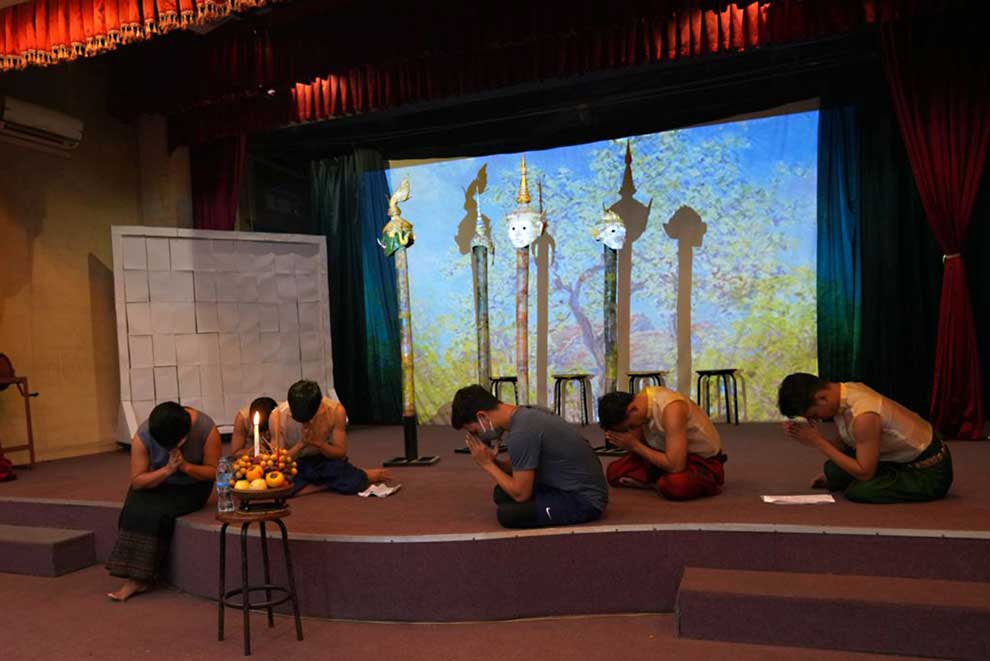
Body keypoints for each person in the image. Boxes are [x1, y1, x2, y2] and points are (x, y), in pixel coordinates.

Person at [777, 373, 952, 503]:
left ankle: (901, 481)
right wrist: (812, 439)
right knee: (832, 469)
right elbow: (844, 446)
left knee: (860, 491)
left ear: (821, 398)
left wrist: (819, 442)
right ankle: (882, 477)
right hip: (896, 459)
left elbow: (865, 473)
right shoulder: (843, 395)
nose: (816, 419)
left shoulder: (863, 415)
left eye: (813, 414)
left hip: (928, 471)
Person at [107, 402, 220, 601]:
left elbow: (213, 471)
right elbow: (138, 480)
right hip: (159, 480)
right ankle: (133, 575)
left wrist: (185, 467)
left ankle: (140, 579)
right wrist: (167, 470)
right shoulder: (143, 435)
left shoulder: (206, 429)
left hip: (191, 486)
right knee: (134, 507)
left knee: (156, 513)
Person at [451, 384, 608, 529]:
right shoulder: (528, 414)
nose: (479, 437)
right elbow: (521, 466)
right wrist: (494, 462)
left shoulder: (521, 433)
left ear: (483, 417)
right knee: (501, 493)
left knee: (508, 514)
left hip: (585, 501)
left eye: (474, 431)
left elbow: (521, 494)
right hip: (572, 485)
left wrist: (487, 465)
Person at [597, 387, 726, 501]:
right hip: (664, 454)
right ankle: (657, 481)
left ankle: (658, 482)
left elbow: (676, 466)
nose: (631, 430)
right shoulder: (641, 405)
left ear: (632, 409)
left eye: (630, 426)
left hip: (699, 461)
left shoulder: (672, 408)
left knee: (675, 485)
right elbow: (646, 443)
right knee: (613, 472)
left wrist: (634, 445)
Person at [269, 380, 390, 497]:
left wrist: (319, 443)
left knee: (351, 481)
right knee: (278, 486)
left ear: (319, 406)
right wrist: (301, 445)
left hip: (322, 460)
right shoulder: (277, 416)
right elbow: (278, 462)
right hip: (294, 463)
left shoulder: (335, 411)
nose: (305, 425)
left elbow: (340, 453)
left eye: (310, 419)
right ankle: (328, 484)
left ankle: (321, 483)